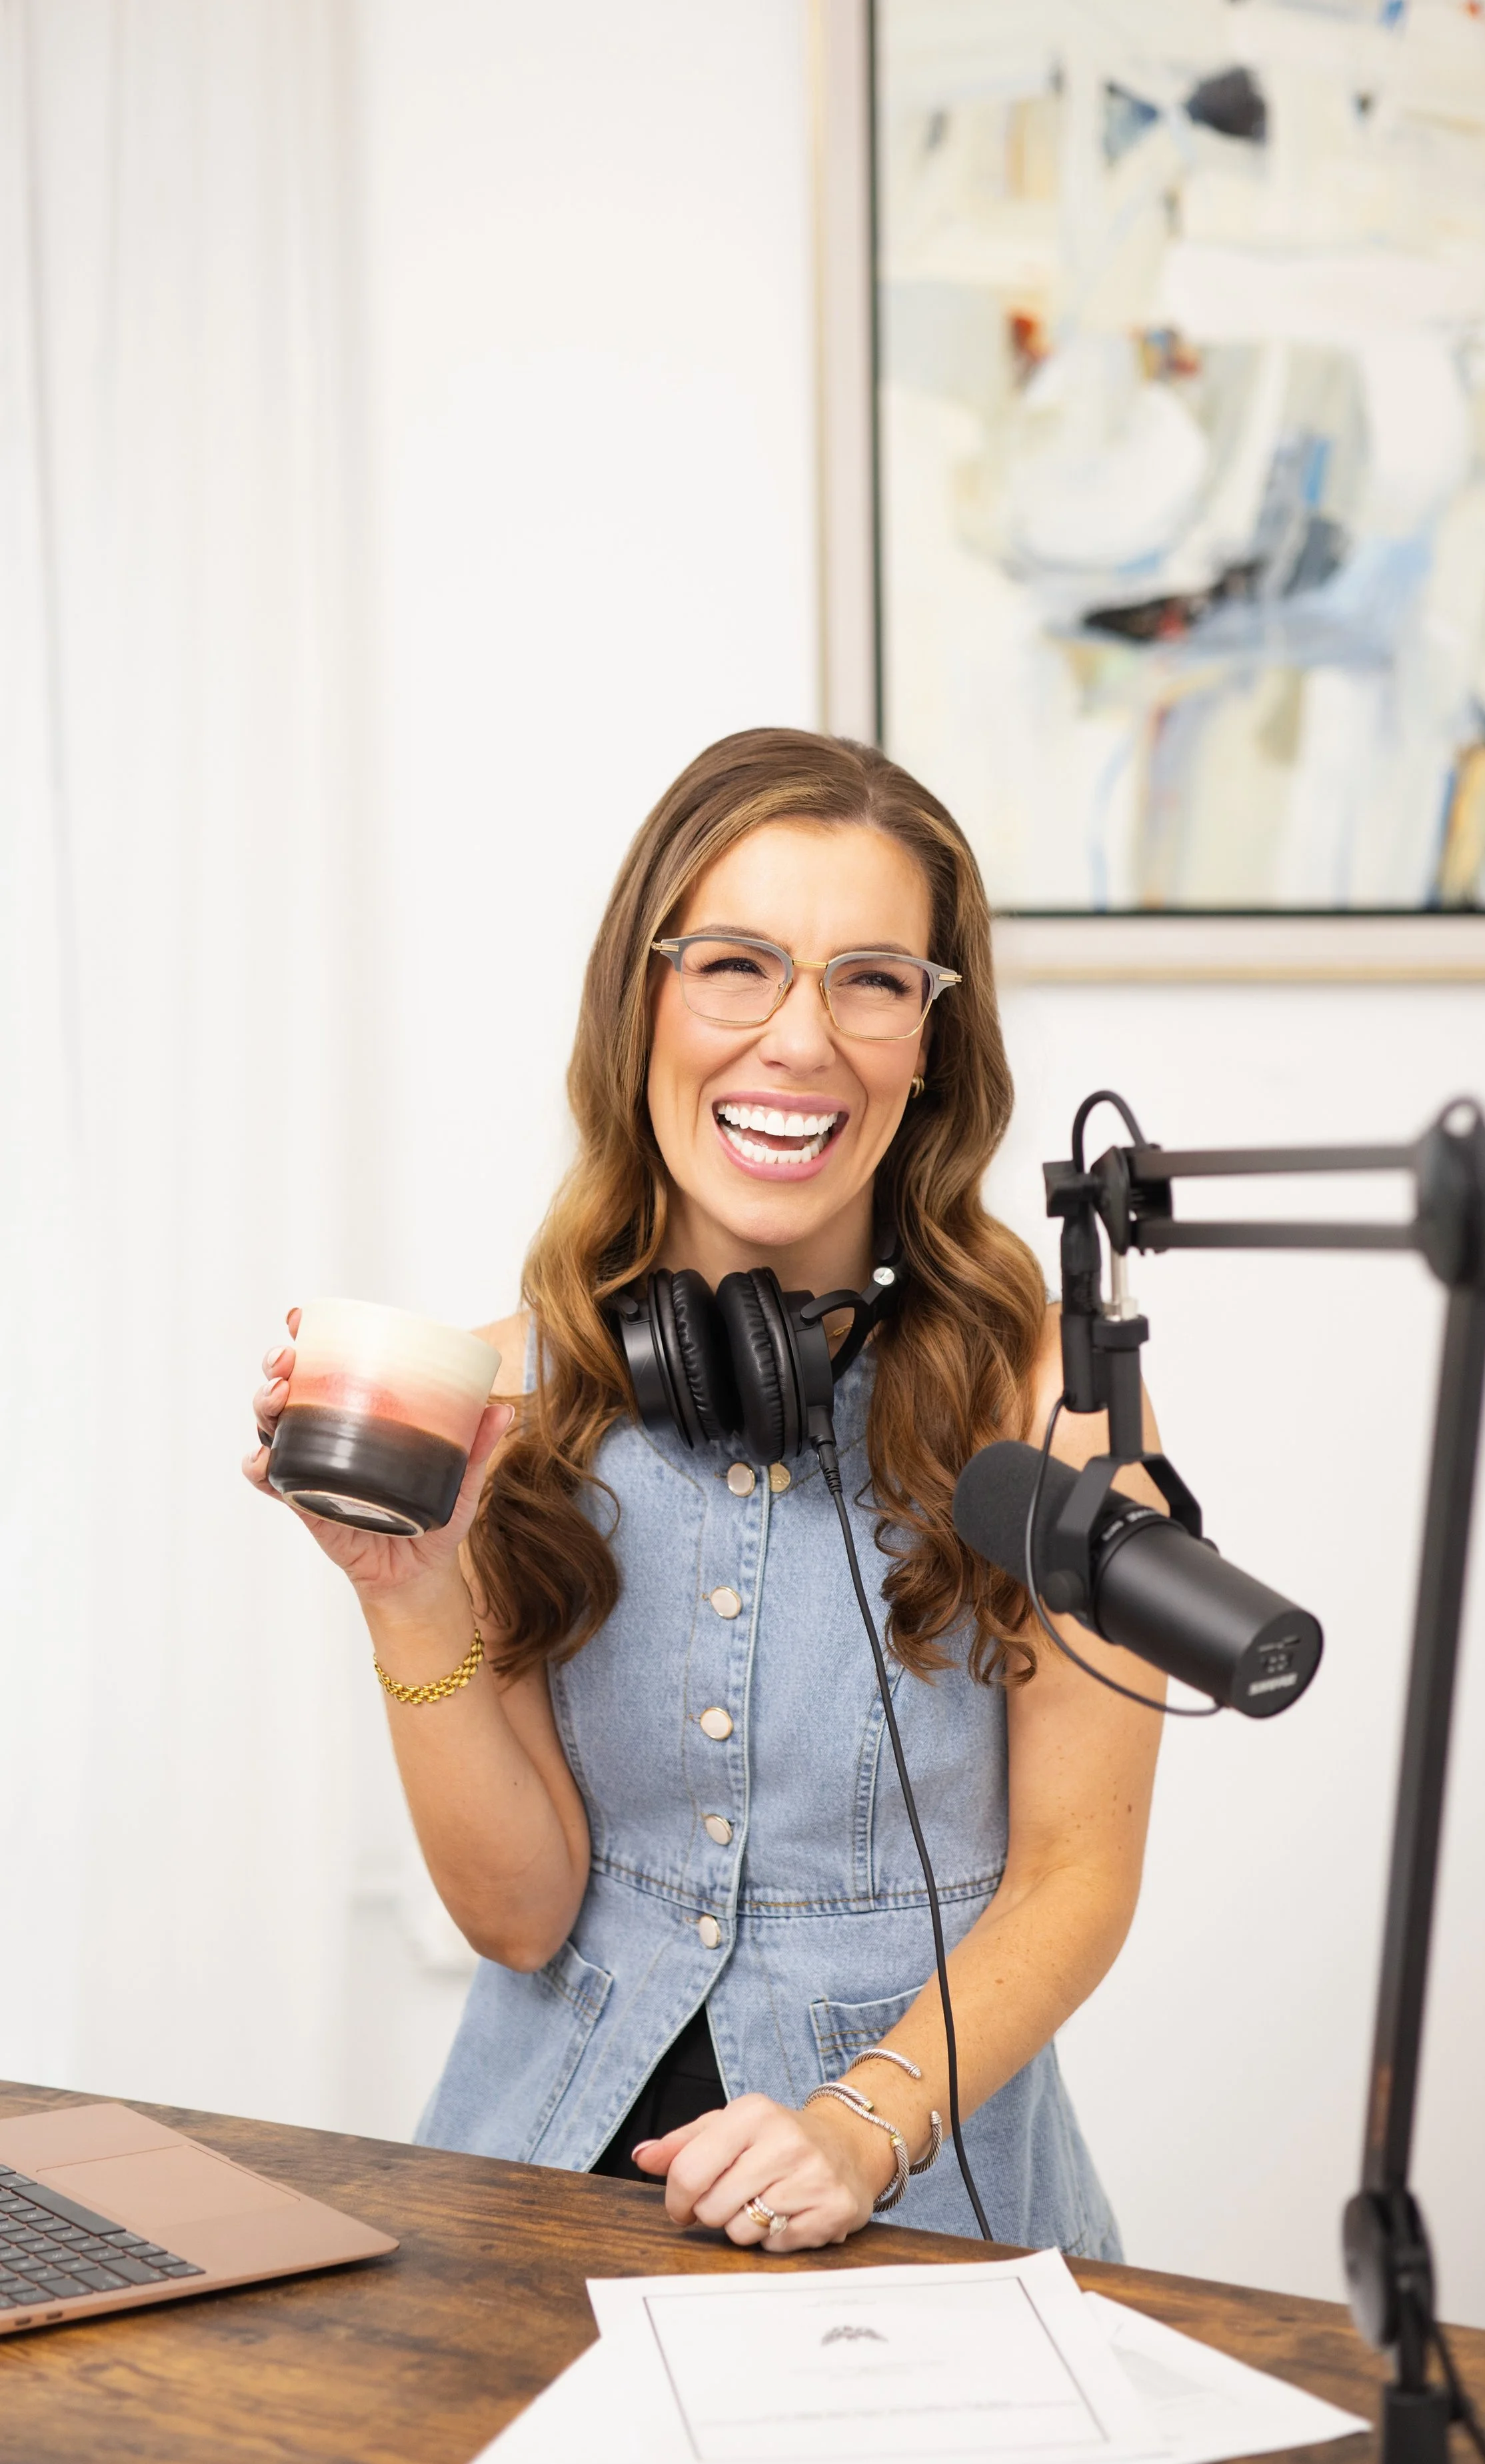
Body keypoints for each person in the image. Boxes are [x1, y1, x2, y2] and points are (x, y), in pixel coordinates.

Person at [245, 729, 1166, 2257]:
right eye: (735, 965)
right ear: (643, 1002)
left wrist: (859, 2123)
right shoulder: (501, 1394)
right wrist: (408, 1589)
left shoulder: (1048, 1403)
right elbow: (519, 1913)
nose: (799, 1039)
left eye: (871, 980)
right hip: (533, 2190)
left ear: (928, 1043)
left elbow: (1075, 1873)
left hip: (921, 2200)